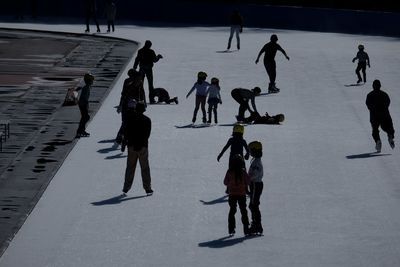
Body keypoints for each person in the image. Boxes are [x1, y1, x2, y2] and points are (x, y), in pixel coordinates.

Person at [122, 102, 153, 195]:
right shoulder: (147, 120)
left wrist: (124, 143)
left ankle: (126, 188)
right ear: (143, 110)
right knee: (145, 168)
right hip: (142, 147)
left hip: (131, 146)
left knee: (130, 167)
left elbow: (126, 132)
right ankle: (147, 188)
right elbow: (147, 135)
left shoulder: (130, 119)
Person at [116, 69, 146, 144]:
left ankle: (123, 134)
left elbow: (142, 93)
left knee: (129, 120)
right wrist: (121, 105)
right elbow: (124, 94)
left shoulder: (139, 82)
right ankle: (121, 134)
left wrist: (143, 102)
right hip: (128, 104)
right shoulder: (128, 82)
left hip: (134, 104)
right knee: (126, 120)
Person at [223, 154, 251, 236]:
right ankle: (246, 228)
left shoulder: (229, 171)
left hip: (232, 194)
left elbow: (225, 182)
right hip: (242, 194)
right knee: (243, 211)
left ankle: (231, 229)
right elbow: (248, 181)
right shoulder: (243, 171)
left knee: (232, 211)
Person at [366, 79, 395, 152]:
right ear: (380, 86)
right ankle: (390, 136)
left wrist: (373, 110)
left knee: (375, 130)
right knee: (388, 127)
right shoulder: (384, 94)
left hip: (374, 116)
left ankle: (378, 141)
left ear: (373, 86)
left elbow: (368, 105)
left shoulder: (370, 95)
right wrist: (383, 109)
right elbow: (388, 102)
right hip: (385, 115)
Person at [247, 141, 264, 235]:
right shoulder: (255, 160)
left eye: (251, 150)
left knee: (254, 205)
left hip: (256, 185)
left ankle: (256, 225)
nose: (250, 152)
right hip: (254, 185)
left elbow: (255, 174)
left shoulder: (256, 162)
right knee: (253, 205)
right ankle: (256, 224)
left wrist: (247, 178)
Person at [75, 73, 94, 138]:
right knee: (85, 117)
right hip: (83, 104)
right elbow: (84, 97)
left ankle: (81, 130)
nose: (92, 82)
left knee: (85, 117)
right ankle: (80, 131)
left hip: (82, 103)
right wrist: (86, 104)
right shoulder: (86, 88)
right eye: (92, 80)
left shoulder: (87, 87)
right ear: (89, 81)